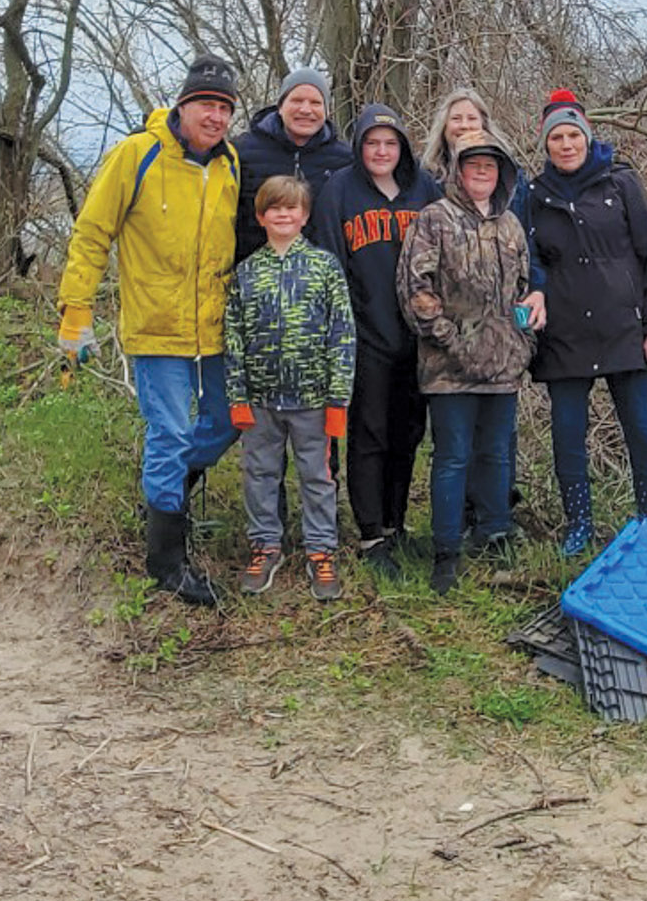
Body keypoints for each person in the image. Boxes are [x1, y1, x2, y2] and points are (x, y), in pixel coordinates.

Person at [56, 56, 244, 606]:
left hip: (213, 327)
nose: (215, 116)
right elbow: (93, 232)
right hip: (156, 326)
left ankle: (164, 497)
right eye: (206, 104)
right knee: (170, 433)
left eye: (225, 108)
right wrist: (76, 310)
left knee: (230, 418)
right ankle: (166, 562)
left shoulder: (228, 165)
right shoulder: (138, 155)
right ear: (182, 105)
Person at [524, 91, 647, 556]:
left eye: (573, 135)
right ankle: (579, 526)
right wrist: (530, 302)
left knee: (642, 433)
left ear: (587, 137)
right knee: (568, 437)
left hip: (625, 329)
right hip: (564, 336)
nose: (566, 145)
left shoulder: (621, 183)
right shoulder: (531, 195)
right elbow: (527, 263)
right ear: (546, 144)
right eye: (557, 138)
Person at [396, 134, 533, 595]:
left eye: (490, 168)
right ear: (457, 171)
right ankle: (446, 551)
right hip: (449, 368)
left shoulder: (512, 226)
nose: (481, 174)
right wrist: (449, 339)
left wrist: (524, 339)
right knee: (452, 458)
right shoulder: (434, 219)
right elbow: (415, 288)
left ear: (501, 175)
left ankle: (495, 533)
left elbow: (523, 292)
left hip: (503, 367)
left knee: (496, 453)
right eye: (473, 166)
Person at [310, 104, 442, 577]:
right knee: (369, 434)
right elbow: (328, 262)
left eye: (390, 143)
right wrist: (337, 329)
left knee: (408, 433)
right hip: (363, 334)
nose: (381, 151)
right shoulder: (338, 191)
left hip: (418, 336)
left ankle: (394, 523)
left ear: (402, 147)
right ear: (359, 146)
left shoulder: (424, 188)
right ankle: (369, 534)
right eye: (372, 143)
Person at [225, 176, 358, 601]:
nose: (284, 215)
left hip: (314, 400)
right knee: (260, 474)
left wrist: (338, 398)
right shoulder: (246, 272)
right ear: (261, 216)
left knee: (317, 477)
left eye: (292, 208)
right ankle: (265, 545)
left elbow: (342, 333)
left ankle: (321, 551)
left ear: (304, 216)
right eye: (275, 209)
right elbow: (233, 337)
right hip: (261, 401)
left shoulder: (324, 267)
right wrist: (237, 395)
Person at [234, 68, 353, 262]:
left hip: (322, 279)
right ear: (280, 106)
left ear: (327, 110)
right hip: (254, 278)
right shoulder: (243, 152)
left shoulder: (345, 160)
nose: (306, 110)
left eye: (316, 102)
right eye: (297, 100)